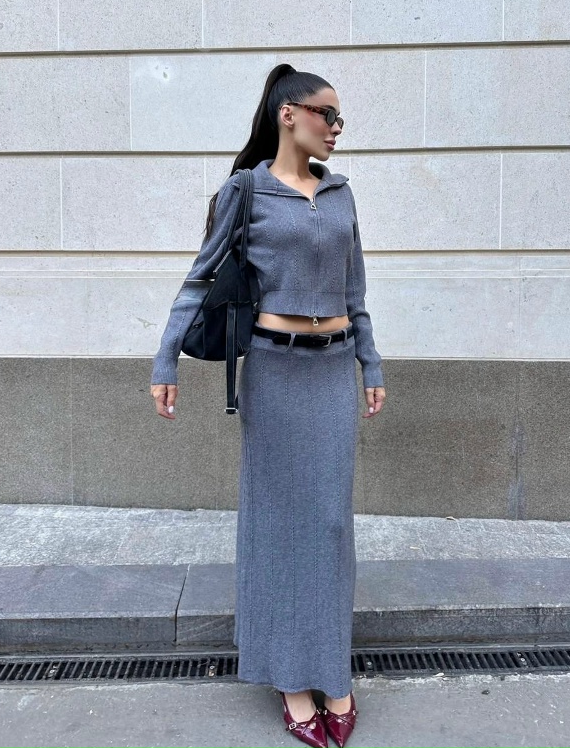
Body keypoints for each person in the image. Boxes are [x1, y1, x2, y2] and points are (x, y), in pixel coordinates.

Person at [150, 63, 386, 748]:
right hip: (276, 373)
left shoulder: (340, 194)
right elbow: (200, 280)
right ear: (289, 114)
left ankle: (332, 671)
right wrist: (166, 359)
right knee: (279, 524)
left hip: (334, 369)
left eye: (339, 118)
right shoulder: (246, 192)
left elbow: (356, 290)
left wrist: (371, 361)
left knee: (329, 527)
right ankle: (290, 679)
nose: (336, 128)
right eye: (326, 114)